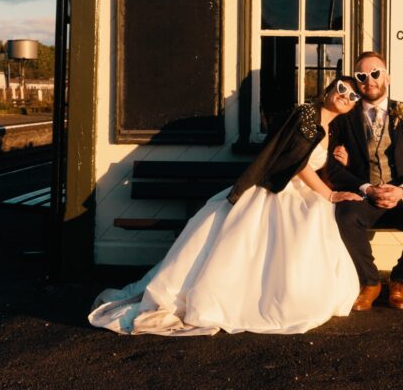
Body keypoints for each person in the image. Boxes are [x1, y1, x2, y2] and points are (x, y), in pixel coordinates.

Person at [88, 76, 364, 335]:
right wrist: (329, 195)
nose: (345, 96)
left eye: (352, 95)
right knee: (303, 220)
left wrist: (338, 162)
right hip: (278, 189)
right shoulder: (305, 114)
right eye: (341, 88)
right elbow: (297, 162)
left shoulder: (331, 129)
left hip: (303, 192)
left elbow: (313, 160)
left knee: (315, 219)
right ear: (328, 90)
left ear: (352, 107)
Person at [326, 51, 403, 311]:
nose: (370, 80)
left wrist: (402, 190)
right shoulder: (344, 116)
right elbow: (330, 165)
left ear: (387, 77)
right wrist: (365, 188)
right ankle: (370, 282)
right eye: (362, 76)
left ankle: (399, 280)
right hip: (364, 197)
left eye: (375, 73)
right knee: (345, 217)